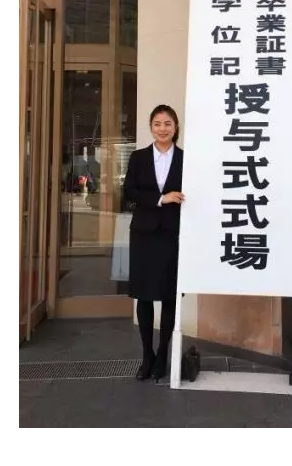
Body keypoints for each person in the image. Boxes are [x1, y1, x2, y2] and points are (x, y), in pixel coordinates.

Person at [122, 104, 185, 381]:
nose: (162, 128)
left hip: (172, 234)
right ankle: (147, 356)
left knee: (169, 295)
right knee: (144, 296)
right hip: (144, 235)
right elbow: (129, 192)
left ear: (175, 127)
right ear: (151, 127)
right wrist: (161, 198)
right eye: (157, 124)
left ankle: (162, 355)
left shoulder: (185, 159)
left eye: (167, 123)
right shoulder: (138, 157)